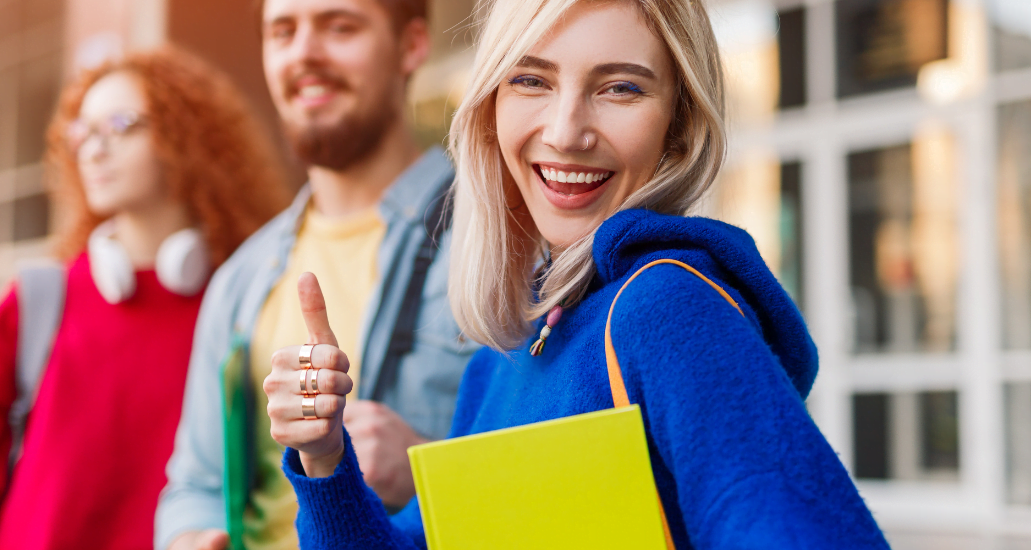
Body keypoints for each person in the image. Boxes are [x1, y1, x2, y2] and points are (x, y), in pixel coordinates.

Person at [263, 0, 893, 548]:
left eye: (620, 88)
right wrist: (325, 460)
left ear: (678, 125)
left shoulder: (668, 310)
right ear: (491, 107)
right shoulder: (504, 356)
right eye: (531, 81)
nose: (566, 132)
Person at [0, 47, 288, 550]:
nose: (93, 149)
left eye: (120, 124)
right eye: (82, 132)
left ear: (187, 137)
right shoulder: (39, 299)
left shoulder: (242, 302)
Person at [155, 0, 478, 548]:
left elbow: (561, 476)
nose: (303, 52)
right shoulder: (241, 278)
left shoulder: (494, 240)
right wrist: (189, 536)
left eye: (339, 26)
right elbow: (195, 483)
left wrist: (427, 468)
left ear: (412, 45)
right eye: (282, 31)